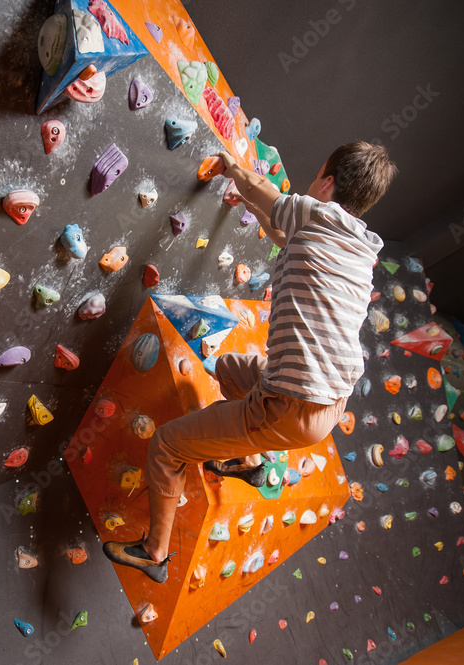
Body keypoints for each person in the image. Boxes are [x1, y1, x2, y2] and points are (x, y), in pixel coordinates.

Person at [102, 141, 398, 582]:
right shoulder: (358, 247)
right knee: (229, 369)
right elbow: (283, 234)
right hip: (329, 401)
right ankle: (244, 462)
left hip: (289, 407)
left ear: (328, 182)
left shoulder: (315, 213)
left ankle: (155, 553)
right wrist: (249, 205)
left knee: (166, 445)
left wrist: (231, 168)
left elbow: (263, 188)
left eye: (317, 176)